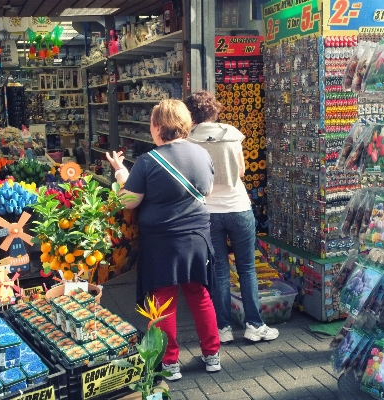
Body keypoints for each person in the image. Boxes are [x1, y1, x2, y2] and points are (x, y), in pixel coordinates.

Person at [106, 99, 220, 380]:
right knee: (200, 294)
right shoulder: (202, 154)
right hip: (197, 236)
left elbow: (129, 201)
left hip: (162, 241)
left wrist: (121, 172)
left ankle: (170, 363)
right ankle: (212, 355)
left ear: (158, 127)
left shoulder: (148, 161)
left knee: (163, 299)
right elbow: (206, 189)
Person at [185, 90, 278, 344]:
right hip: (237, 206)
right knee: (247, 267)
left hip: (209, 211)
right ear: (214, 109)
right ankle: (254, 325)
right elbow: (242, 170)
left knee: (219, 270)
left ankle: (223, 328)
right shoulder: (232, 133)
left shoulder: (189, 140)